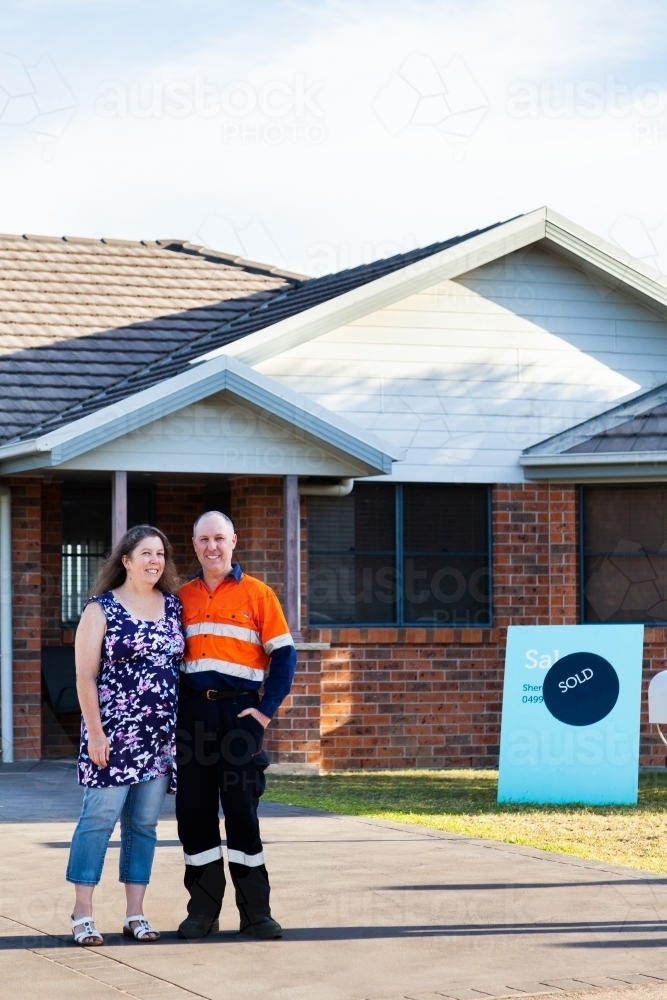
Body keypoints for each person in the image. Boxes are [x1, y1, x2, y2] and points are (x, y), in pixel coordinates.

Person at [176, 510, 297, 940]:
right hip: (191, 718)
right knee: (194, 816)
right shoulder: (180, 597)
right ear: (194, 544)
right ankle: (202, 912)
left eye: (219, 539)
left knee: (243, 814)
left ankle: (256, 913)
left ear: (234, 541)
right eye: (204, 539)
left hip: (240, 716)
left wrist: (264, 712)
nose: (212, 547)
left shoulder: (258, 595)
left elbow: (284, 655)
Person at [66, 524, 184, 947]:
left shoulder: (173, 607)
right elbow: (84, 675)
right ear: (126, 560)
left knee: (144, 825)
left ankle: (135, 913)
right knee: (98, 820)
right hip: (111, 737)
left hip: (158, 740)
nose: (155, 561)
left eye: (161, 554)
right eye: (146, 553)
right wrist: (95, 734)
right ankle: (83, 914)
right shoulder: (101, 609)